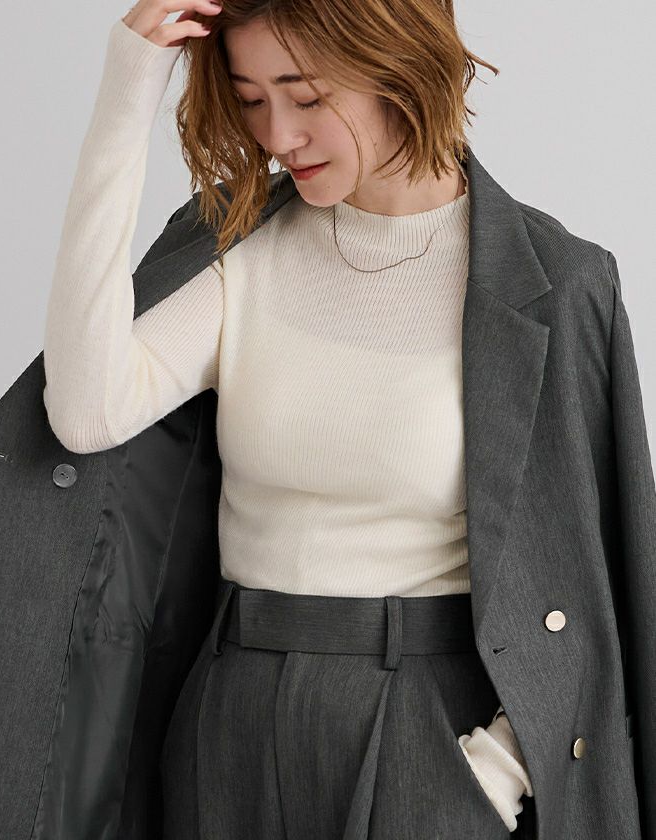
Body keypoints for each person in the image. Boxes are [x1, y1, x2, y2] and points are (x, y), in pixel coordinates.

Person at [43, 1, 541, 836]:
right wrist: (127, 91)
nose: (277, 134)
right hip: (229, 714)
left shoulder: (544, 284)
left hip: (427, 722)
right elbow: (85, 411)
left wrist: (488, 781)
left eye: (306, 97)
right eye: (250, 98)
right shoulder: (243, 249)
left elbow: (588, 582)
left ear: (395, 65)